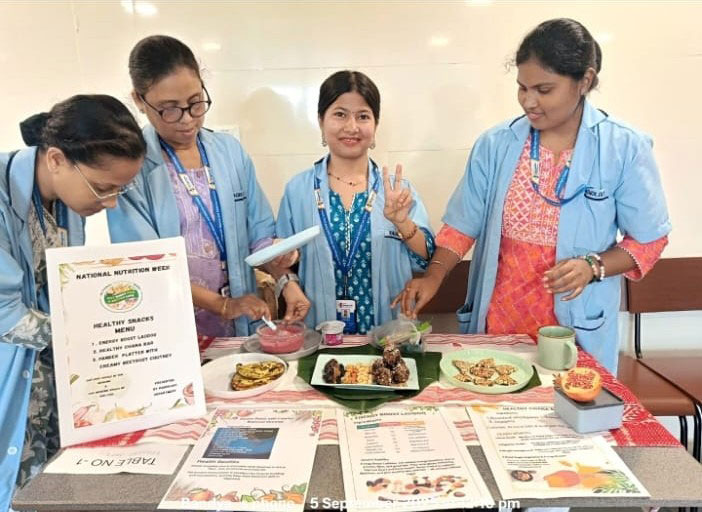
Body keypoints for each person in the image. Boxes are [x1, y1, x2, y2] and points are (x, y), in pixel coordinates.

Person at [394, 18, 670, 375]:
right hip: (500, 322)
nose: (529, 101)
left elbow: (650, 239)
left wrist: (593, 266)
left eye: (544, 89)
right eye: (522, 88)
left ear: (584, 81)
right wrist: (433, 276)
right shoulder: (496, 145)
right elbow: (462, 225)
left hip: (575, 328)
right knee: (495, 396)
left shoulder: (623, 148)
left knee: (573, 405)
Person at [107, 35, 309, 337]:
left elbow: (259, 236)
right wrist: (223, 305)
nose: (187, 119)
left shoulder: (229, 152)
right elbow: (146, 267)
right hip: (171, 328)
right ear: (139, 100)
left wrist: (284, 274)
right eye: (169, 109)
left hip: (239, 326)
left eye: (195, 103)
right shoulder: (132, 169)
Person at [0, 95, 146, 510]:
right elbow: (6, 314)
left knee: (57, 491)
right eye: (103, 188)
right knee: (17, 493)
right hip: (12, 380)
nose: (111, 202)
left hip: (50, 385)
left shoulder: (63, 202)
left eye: (121, 189)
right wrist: (100, 338)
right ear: (57, 159)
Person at [276, 70, 435, 334]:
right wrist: (288, 279)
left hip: (387, 335)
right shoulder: (299, 190)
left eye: (363, 116)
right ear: (321, 121)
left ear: (375, 125)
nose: (352, 127)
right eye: (340, 114)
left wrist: (402, 222)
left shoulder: (397, 190)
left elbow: (426, 257)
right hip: (322, 333)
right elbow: (281, 261)